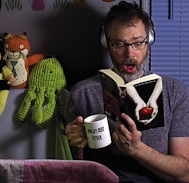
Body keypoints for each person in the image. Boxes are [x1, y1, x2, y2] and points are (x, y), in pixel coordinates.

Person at [64, 1, 189, 183]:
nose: (130, 53)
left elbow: (184, 174)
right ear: (106, 43)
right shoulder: (82, 94)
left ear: (149, 40)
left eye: (138, 43)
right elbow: (74, 171)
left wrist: (136, 149)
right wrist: (75, 145)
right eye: (119, 44)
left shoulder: (174, 92)